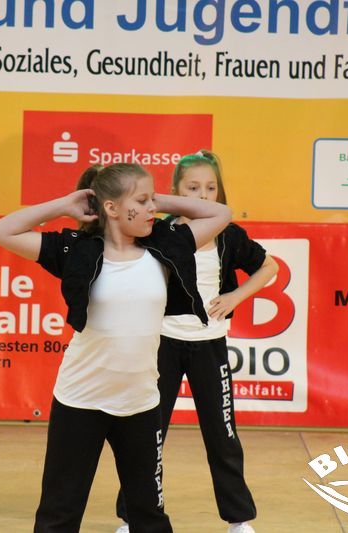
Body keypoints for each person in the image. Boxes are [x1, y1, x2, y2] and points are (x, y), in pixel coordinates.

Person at [0, 163, 231, 533]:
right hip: (80, 401)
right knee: (59, 514)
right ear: (112, 208)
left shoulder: (165, 245)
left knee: (149, 516)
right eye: (142, 201)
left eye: (152, 200)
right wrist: (64, 205)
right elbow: (0, 230)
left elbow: (221, 213)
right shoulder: (76, 250)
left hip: (140, 403)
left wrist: (156, 200)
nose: (152, 208)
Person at [115, 151, 278, 533]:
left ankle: (238, 520)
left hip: (210, 346)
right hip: (163, 345)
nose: (202, 195)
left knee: (222, 435)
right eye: (192, 188)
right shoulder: (158, 232)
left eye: (210, 188)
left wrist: (236, 297)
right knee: (148, 433)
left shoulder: (229, 235)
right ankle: (132, 517)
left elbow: (268, 267)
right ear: (175, 191)